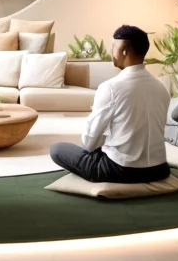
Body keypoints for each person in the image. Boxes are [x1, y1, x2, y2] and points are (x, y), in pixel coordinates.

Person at [50, 25, 171, 184]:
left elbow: (89, 143)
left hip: (122, 170)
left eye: (113, 46)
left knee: (57, 149)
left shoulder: (111, 87)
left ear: (124, 51)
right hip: (160, 170)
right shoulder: (161, 88)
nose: (111, 51)